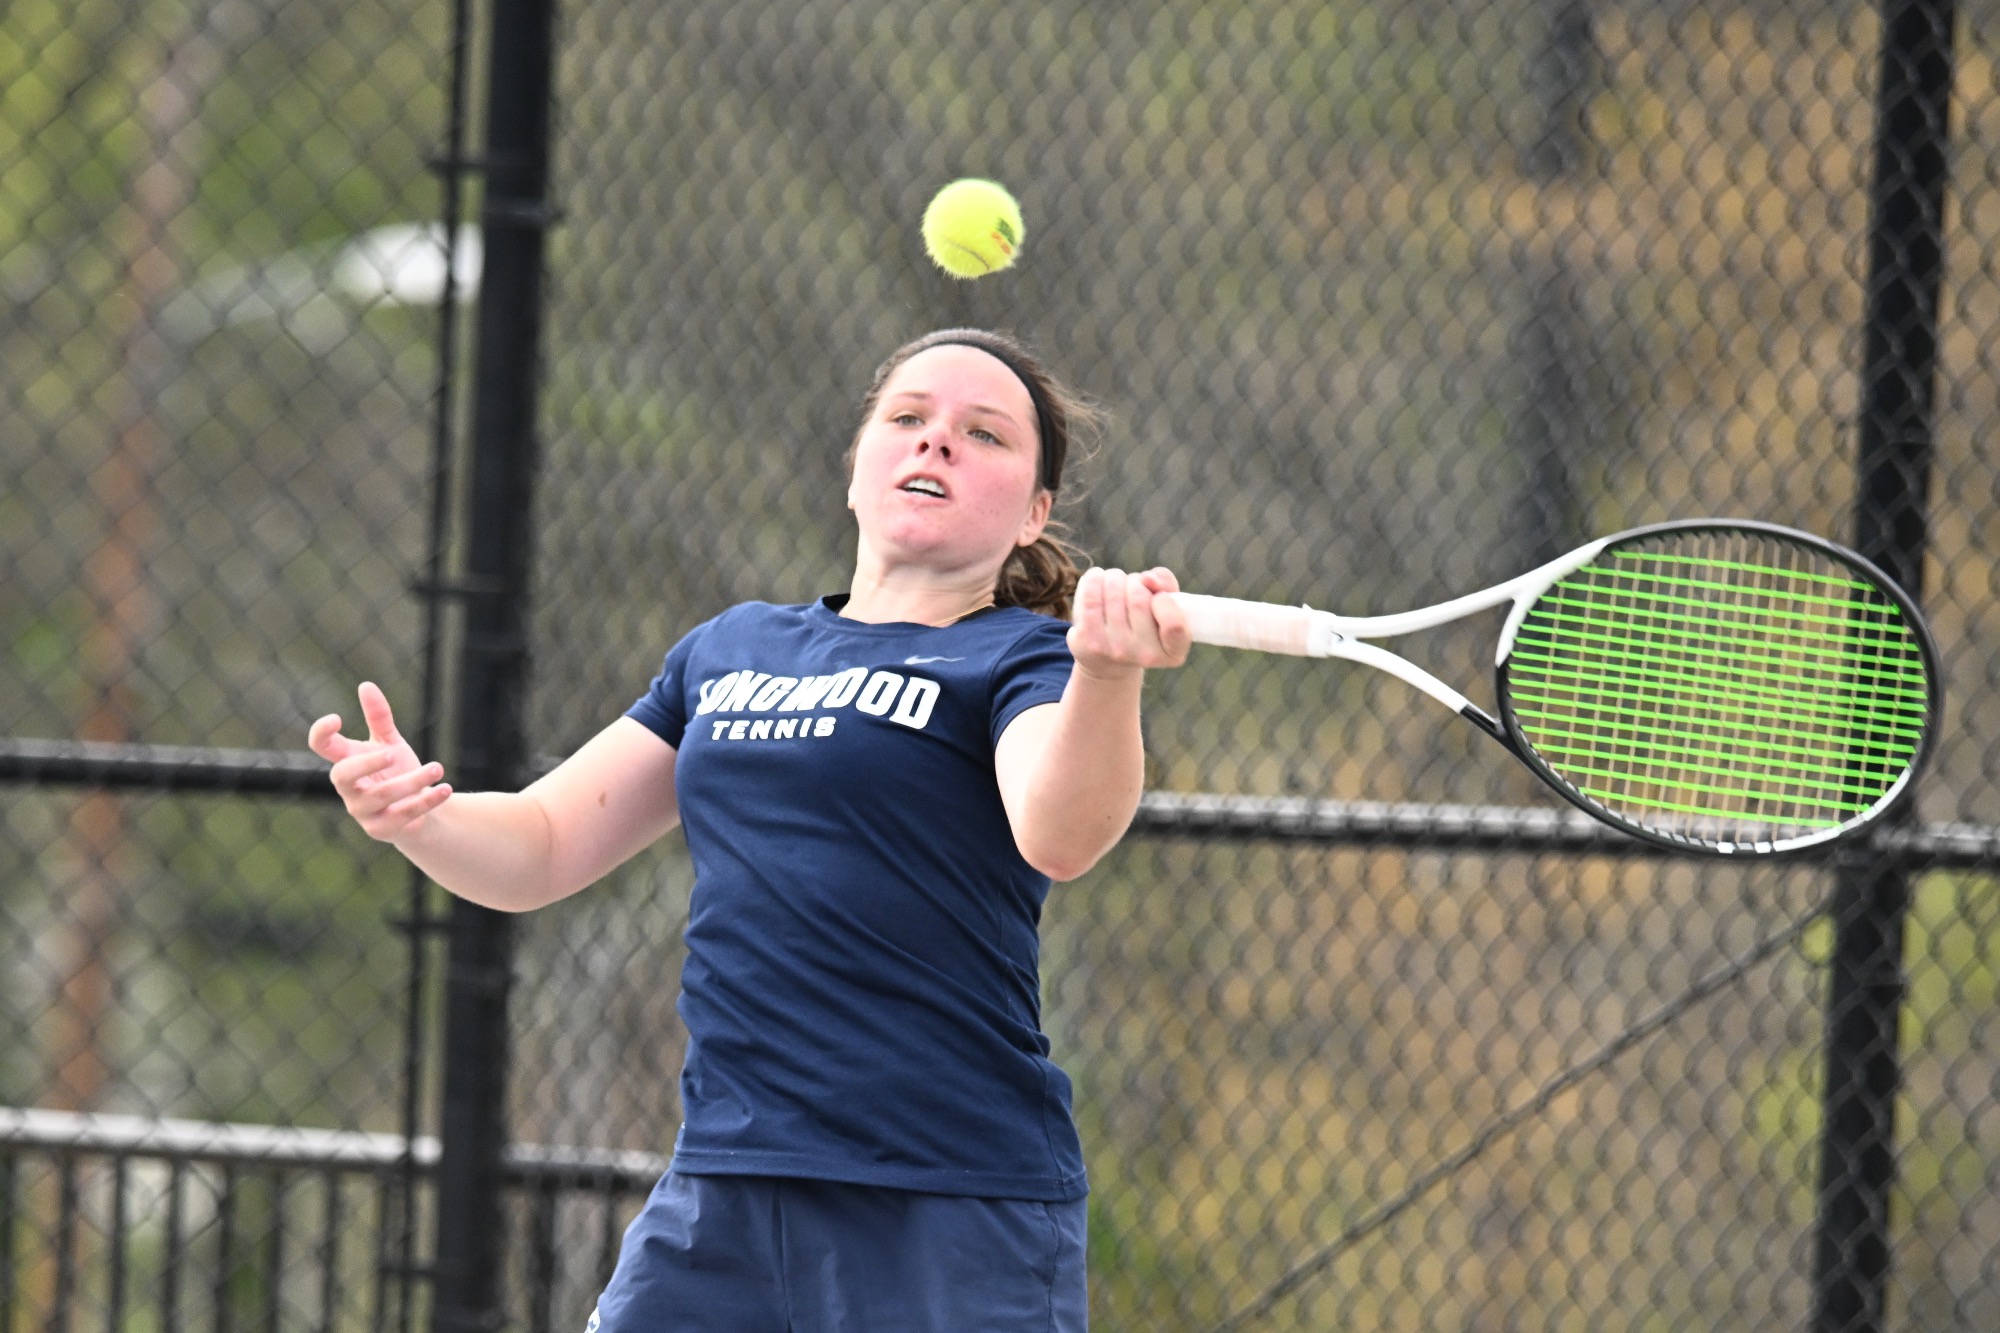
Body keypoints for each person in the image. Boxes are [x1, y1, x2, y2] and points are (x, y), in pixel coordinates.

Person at [307, 328, 1189, 1331]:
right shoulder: (728, 650)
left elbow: (1060, 832)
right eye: (907, 419)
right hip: (723, 1187)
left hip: (948, 1198)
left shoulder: (1020, 659)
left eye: (982, 434)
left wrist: (1106, 674)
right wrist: (416, 815)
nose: (935, 442)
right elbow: (543, 844)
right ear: (856, 466)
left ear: (1035, 513)